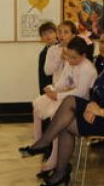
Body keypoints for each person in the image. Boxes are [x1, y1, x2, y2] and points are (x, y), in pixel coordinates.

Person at [19, 29, 104, 186]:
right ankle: (58, 170)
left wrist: (101, 111)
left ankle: (46, 148)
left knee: (66, 116)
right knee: (66, 114)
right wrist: (91, 105)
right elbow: (97, 90)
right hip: (103, 113)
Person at [30, 37, 97, 178]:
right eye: (68, 56)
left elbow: (80, 92)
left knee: (57, 118)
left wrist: (57, 96)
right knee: (38, 103)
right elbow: (62, 83)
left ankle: (53, 160)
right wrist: (52, 89)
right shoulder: (70, 63)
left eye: (74, 58)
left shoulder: (87, 68)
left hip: (80, 104)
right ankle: (39, 142)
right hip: (65, 98)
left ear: (83, 56)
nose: (70, 60)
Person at [37, 22, 58, 93]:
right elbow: (41, 75)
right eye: (44, 34)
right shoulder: (43, 54)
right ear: (41, 37)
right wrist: (42, 91)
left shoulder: (62, 49)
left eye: (50, 32)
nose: (48, 36)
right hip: (48, 88)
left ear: (56, 33)